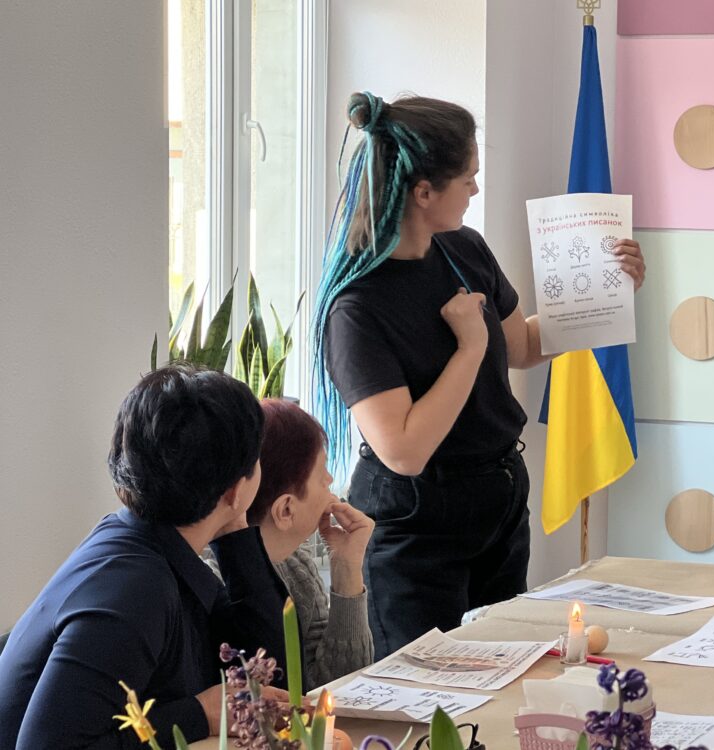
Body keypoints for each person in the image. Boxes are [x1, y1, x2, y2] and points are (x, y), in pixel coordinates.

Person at [312, 91, 646, 659]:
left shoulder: (464, 248)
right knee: (429, 689)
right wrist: (468, 348)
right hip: (417, 524)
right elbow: (403, 451)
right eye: (467, 178)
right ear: (424, 192)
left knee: (505, 675)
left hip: (498, 500)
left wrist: (607, 290)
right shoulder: (356, 308)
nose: (475, 188)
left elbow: (523, 346)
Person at [0, 364, 289, 748]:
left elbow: (267, 673)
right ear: (236, 488)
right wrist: (198, 715)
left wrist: (234, 526)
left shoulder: (153, 546)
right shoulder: (136, 586)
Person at [247, 398, 375, 690]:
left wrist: (346, 569)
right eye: (322, 476)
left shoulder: (297, 564)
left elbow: (336, 685)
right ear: (286, 510)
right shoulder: (216, 580)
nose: (330, 479)